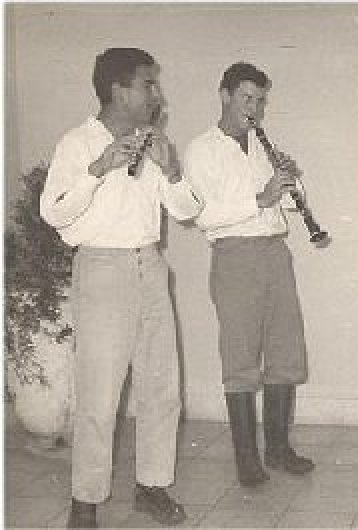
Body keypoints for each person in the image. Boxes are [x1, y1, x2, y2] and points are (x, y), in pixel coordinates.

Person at [40, 48, 203, 528]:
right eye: (148, 84)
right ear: (119, 90)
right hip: (101, 269)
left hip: (150, 264)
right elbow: (54, 212)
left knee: (161, 388)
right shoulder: (77, 142)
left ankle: (152, 487)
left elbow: (188, 210)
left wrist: (171, 169)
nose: (157, 94)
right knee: (98, 394)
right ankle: (85, 501)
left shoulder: (155, 142)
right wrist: (98, 169)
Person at [184, 62, 314, 488]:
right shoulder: (201, 149)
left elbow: (290, 204)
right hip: (234, 255)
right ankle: (246, 459)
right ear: (224, 95)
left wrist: (292, 183)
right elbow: (202, 215)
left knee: (285, 352)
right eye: (246, 98)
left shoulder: (262, 146)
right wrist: (260, 197)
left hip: (275, 253)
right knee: (240, 358)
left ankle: (278, 449)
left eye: (260, 100)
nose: (254, 108)